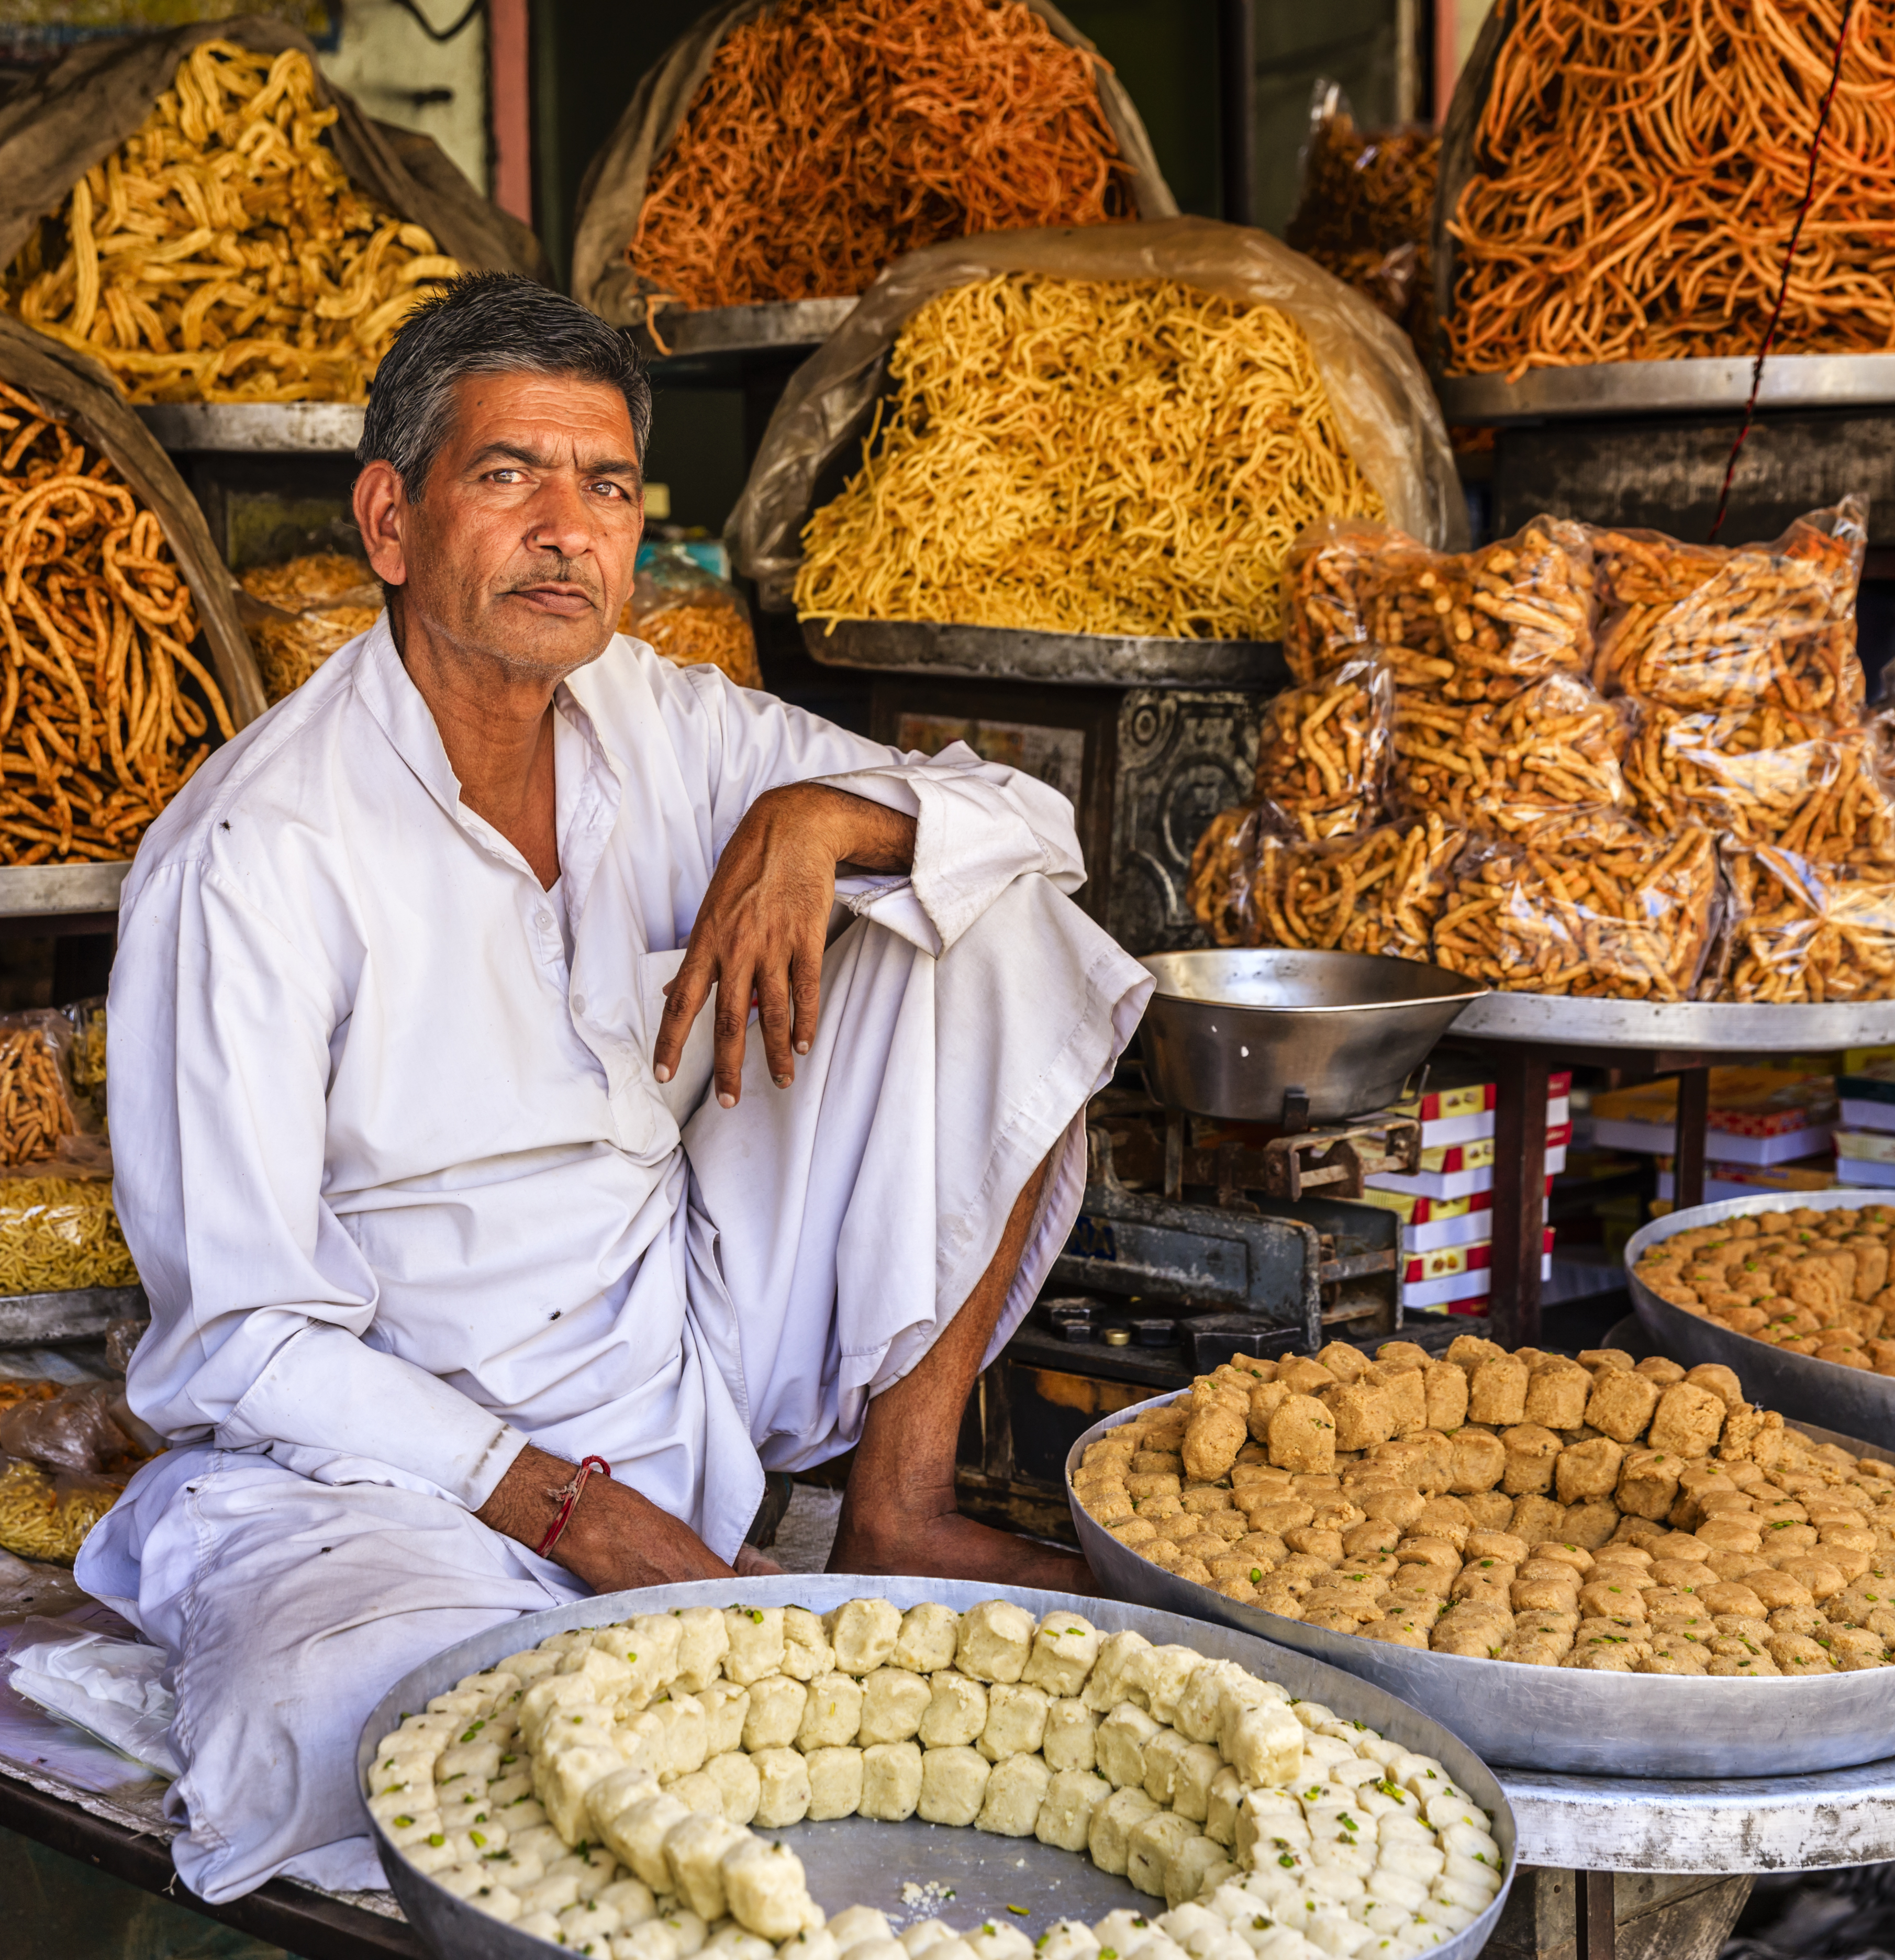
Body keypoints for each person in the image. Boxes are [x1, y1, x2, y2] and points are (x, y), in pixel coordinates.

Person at [82, 274, 1151, 1902]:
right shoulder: (255, 853)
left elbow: (1031, 819)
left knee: (996, 923)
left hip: (689, 1349)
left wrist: (815, 826)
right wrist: (563, 1508)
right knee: (378, 1736)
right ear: (392, 519)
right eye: (510, 475)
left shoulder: (661, 721)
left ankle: (900, 1507)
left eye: (608, 486)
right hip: (398, 1453)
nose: (568, 530)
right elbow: (241, 1329)